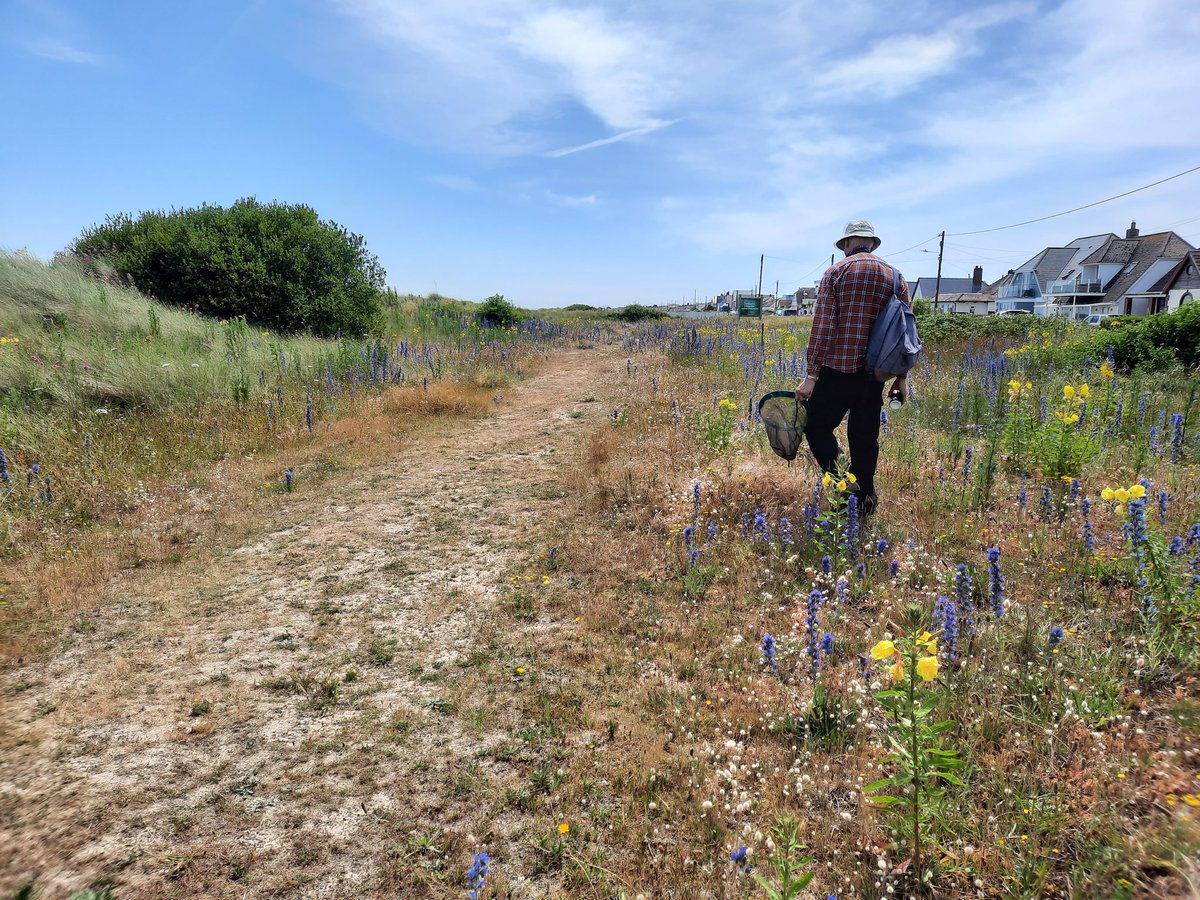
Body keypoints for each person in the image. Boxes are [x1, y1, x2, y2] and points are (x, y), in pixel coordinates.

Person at [795, 220, 910, 516]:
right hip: (875, 375)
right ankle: (866, 502)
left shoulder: (836, 272)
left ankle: (846, 486)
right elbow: (905, 332)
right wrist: (902, 378)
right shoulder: (895, 276)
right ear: (871, 243)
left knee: (817, 427)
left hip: (836, 372)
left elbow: (823, 328)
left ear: (847, 244)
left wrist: (811, 376)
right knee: (864, 439)